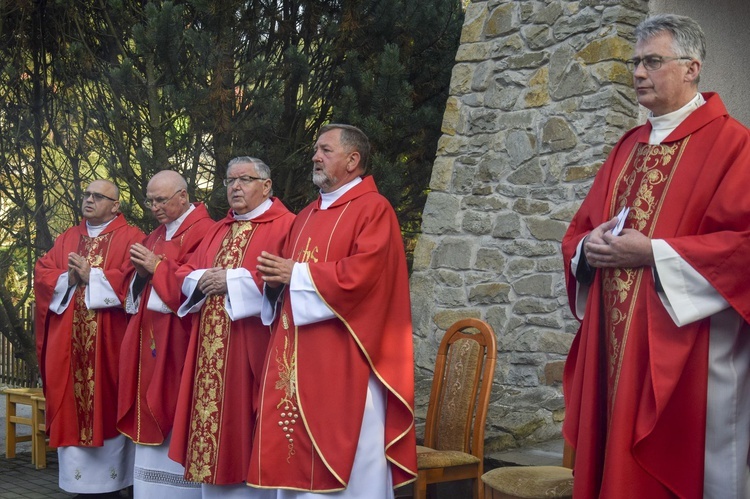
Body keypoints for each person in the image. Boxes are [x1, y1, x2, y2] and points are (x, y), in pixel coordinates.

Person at [562, 14, 750, 499]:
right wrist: (590, 247)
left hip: (689, 351)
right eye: (635, 62)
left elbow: (744, 245)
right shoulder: (629, 145)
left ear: (692, 67)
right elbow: (580, 232)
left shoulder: (734, 145)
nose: (639, 73)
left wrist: (654, 253)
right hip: (615, 343)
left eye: (652, 61)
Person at [250, 124, 417, 498]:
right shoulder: (307, 214)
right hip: (296, 357)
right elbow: (289, 276)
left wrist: (297, 273)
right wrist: (275, 282)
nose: (315, 156)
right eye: (315, 149)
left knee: (352, 458)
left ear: (353, 160)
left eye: (325, 150)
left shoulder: (375, 209)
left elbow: (366, 276)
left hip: (347, 357)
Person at [167, 157, 295, 497]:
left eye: (245, 180)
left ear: (266, 186)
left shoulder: (287, 226)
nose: (235, 187)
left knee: (248, 428)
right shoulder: (218, 229)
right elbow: (185, 271)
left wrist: (233, 280)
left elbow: (286, 280)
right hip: (209, 350)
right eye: (230, 181)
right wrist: (202, 278)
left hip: (252, 346)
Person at [34, 179, 145, 497]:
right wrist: (67, 277)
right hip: (68, 353)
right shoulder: (68, 237)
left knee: (109, 409)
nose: (89, 200)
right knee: (72, 410)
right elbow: (43, 273)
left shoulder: (132, 237)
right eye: (86, 194)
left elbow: (133, 282)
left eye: (98, 196)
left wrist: (93, 276)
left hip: (109, 350)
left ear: (116, 205)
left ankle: (116, 486)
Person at [117, 170, 214, 498]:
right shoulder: (155, 235)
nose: (154, 207)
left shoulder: (206, 232)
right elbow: (133, 289)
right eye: (150, 200)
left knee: (176, 409)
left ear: (183, 197)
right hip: (149, 344)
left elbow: (197, 286)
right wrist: (143, 274)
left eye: (161, 200)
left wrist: (158, 269)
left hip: (180, 342)